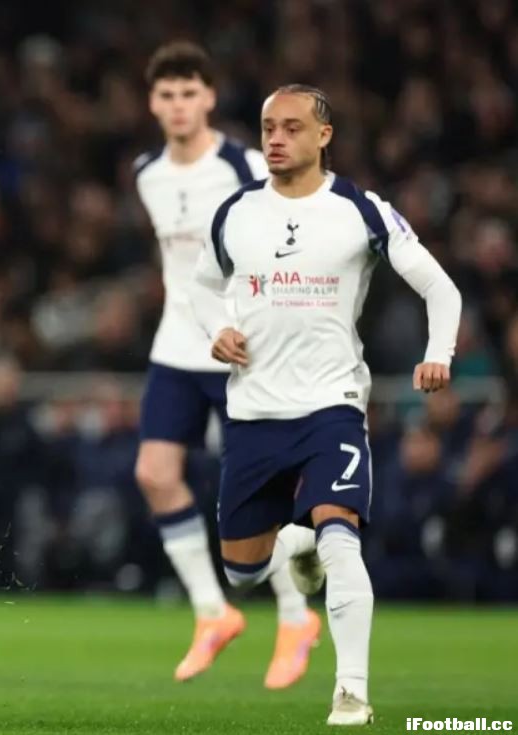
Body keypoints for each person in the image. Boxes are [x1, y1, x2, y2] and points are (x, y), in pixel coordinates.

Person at [194, 84, 461, 726]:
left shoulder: (359, 209)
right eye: (268, 128)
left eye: (291, 127)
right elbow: (201, 286)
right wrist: (217, 327)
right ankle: (295, 543)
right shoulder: (236, 212)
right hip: (254, 413)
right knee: (241, 572)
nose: (276, 139)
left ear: (324, 135)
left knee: (341, 535)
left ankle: (351, 692)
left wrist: (439, 354)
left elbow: (439, 286)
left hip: (331, 406)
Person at [132, 41, 318, 686]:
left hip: (241, 349)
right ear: (153, 103)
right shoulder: (147, 172)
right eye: (167, 95)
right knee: (155, 474)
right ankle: (213, 613)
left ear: (209, 97)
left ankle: (295, 617)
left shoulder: (245, 165)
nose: (179, 105)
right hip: (175, 347)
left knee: (257, 492)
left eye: (190, 93)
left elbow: (291, 240)